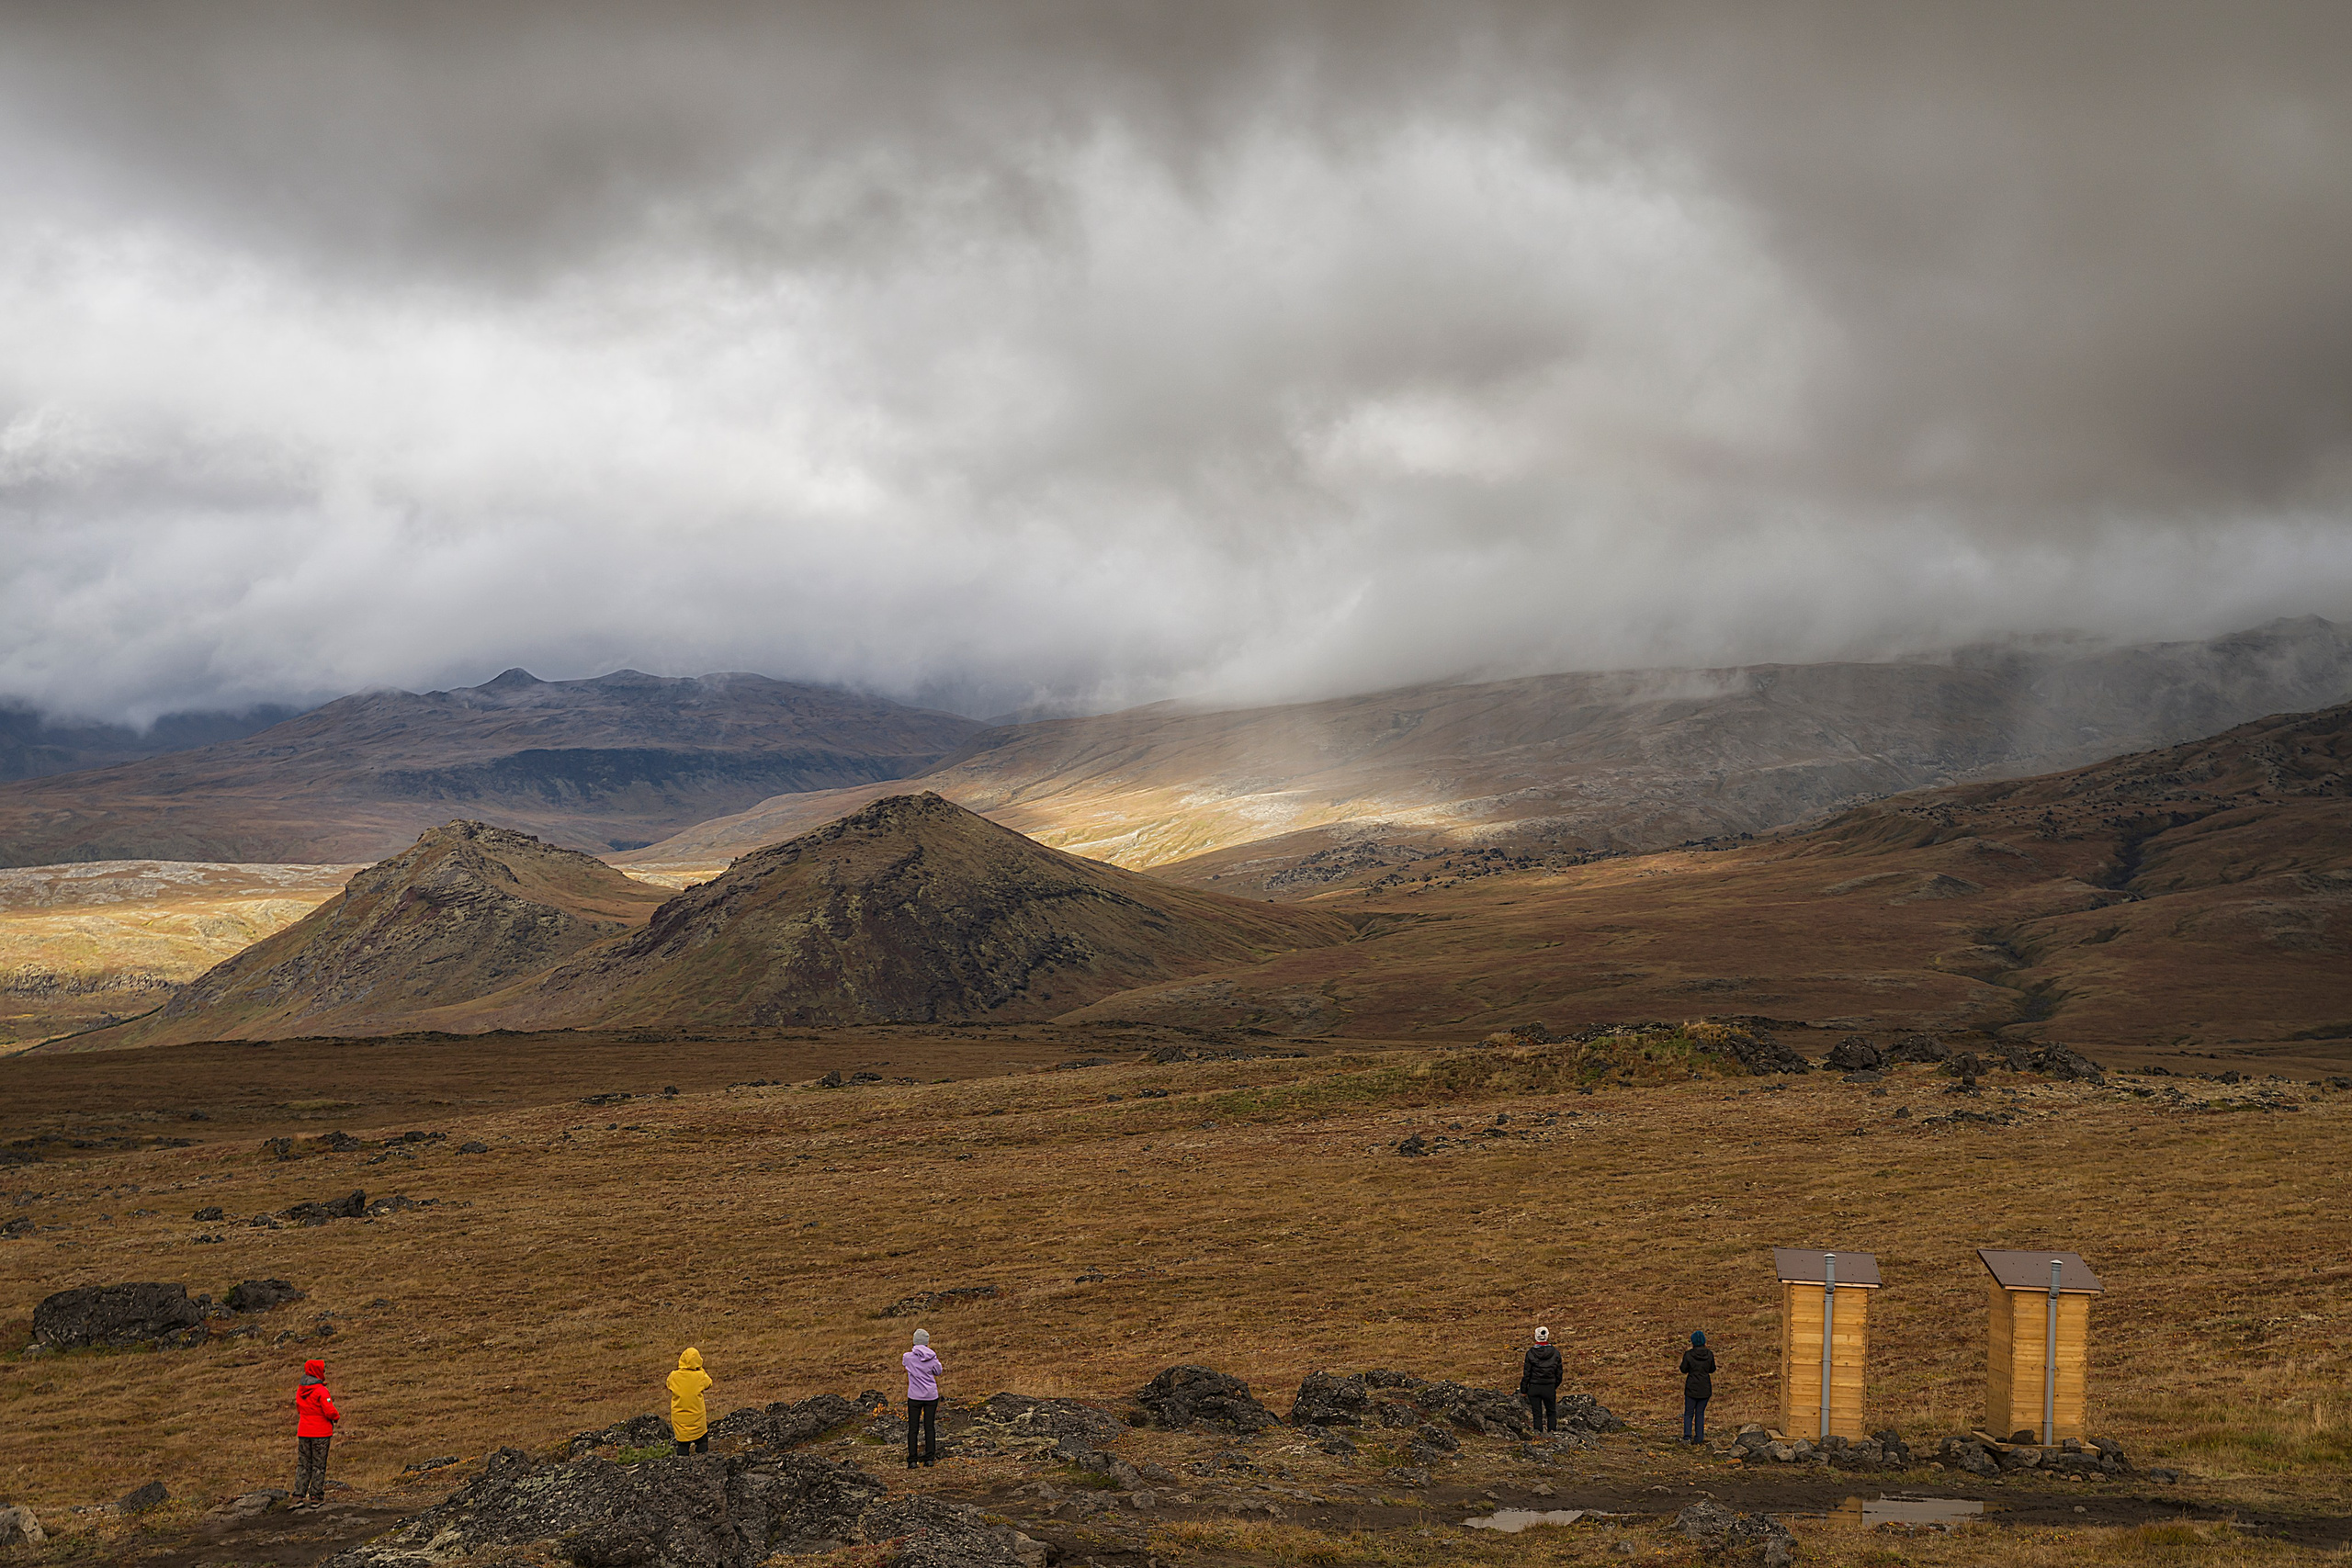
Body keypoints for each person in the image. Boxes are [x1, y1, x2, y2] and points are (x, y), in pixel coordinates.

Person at [292, 1358, 340, 1508]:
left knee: (303, 1464)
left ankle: (298, 1495)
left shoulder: (301, 1390)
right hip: (320, 1433)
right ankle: (316, 1496)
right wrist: (336, 1417)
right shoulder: (321, 1390)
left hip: (304, 1431)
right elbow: (329, 1411)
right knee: (318, 1465)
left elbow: (299, 1408)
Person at [903, 1328, 943, 1468]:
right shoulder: (932, 1357)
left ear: (914, 1341)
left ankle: (912, 1460)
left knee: (913, 1429)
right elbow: (938, 1371)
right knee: (929, 1427)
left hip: (914, 1396)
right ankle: (929, 1459)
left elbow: (906, 1365)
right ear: (926, 1342)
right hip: (931, 1396)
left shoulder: (907, 1357)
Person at [669, 1348, 713, 1455]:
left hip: (680, 1419)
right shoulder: (700, 1376)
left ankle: (682, 1466)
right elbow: (709, 1383)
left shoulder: (674, 1376)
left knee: (682, 1444)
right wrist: (700, 1369)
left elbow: (668, 1384)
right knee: (702, 1441)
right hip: (697, 1418)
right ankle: (702, 1461)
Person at [1519, 1326, 1563, 1435]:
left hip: (1534, 1387)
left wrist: (1524, 1390)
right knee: (1551, 1412)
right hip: (1549, 1387)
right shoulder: (1555, 1353)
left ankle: (1538, 1436)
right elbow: (1559, 1373)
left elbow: (1527, 1373)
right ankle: (1552, 1435)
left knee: (1536, 1413)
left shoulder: (1530, 1353)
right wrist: (1553, 1385)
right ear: (1547, 1336)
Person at [1680, 1330, 1716, 1443]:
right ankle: (1699, 1438)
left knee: (1689, 1413)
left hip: (1691, 1387)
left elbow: (1683, 1369)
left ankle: (1687, 1437)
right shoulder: (1709, 1354)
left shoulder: (1688, 1354)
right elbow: (1712, 1369)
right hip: (1705, 1388)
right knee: (1700, 1413)